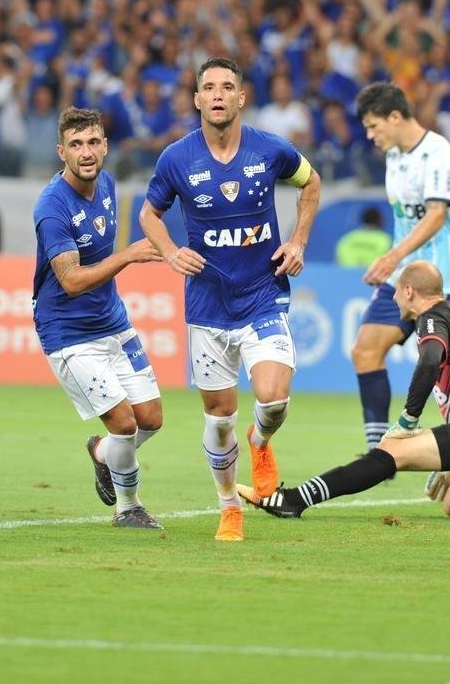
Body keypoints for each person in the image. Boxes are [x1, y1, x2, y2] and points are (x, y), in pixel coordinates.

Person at [138, 57, 322, 542]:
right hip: (208, 307)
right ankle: (228, 507)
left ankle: (261, 442)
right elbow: (149, 216)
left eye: (227, 87)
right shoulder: (177, 158)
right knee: (219, 420)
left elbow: (312, 183)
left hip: (262, 297)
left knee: (273, 398)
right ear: (197, 99)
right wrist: (171, 251)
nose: (218, 95)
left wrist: (299, 241)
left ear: (241, 98)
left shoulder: (271, 150)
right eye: (208, 88)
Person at [238, 261, 450, 525]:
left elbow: (430, 360)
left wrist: (407, 420)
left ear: (408, 291)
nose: (393, 301)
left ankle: (295, 500)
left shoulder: (434, 316)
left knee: (393, 451)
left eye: (395, 294)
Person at [32, 107, 166, 530]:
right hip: (69, 334)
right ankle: (128, 508)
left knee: (151, 419)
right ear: (61, 152)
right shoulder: (52, 208)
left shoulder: (106, 183)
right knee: (125, 424)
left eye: (93, 142)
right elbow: (70, 281)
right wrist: (127, 255)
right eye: (76, 145)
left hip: (113, 323)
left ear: (105, 146)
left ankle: (101, 453)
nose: (86, 153)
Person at [350, 81, 450, 451]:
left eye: (374, 126)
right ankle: (378, 449)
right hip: (402, 275)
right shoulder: (394, 156)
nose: (370, 136)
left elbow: (436, 215)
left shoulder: (438, 153)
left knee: (448, 376)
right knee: (365, 350)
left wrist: (391, 255)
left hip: (446, 278)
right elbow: (407, 218)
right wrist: (395, 262)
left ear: (395, 116)